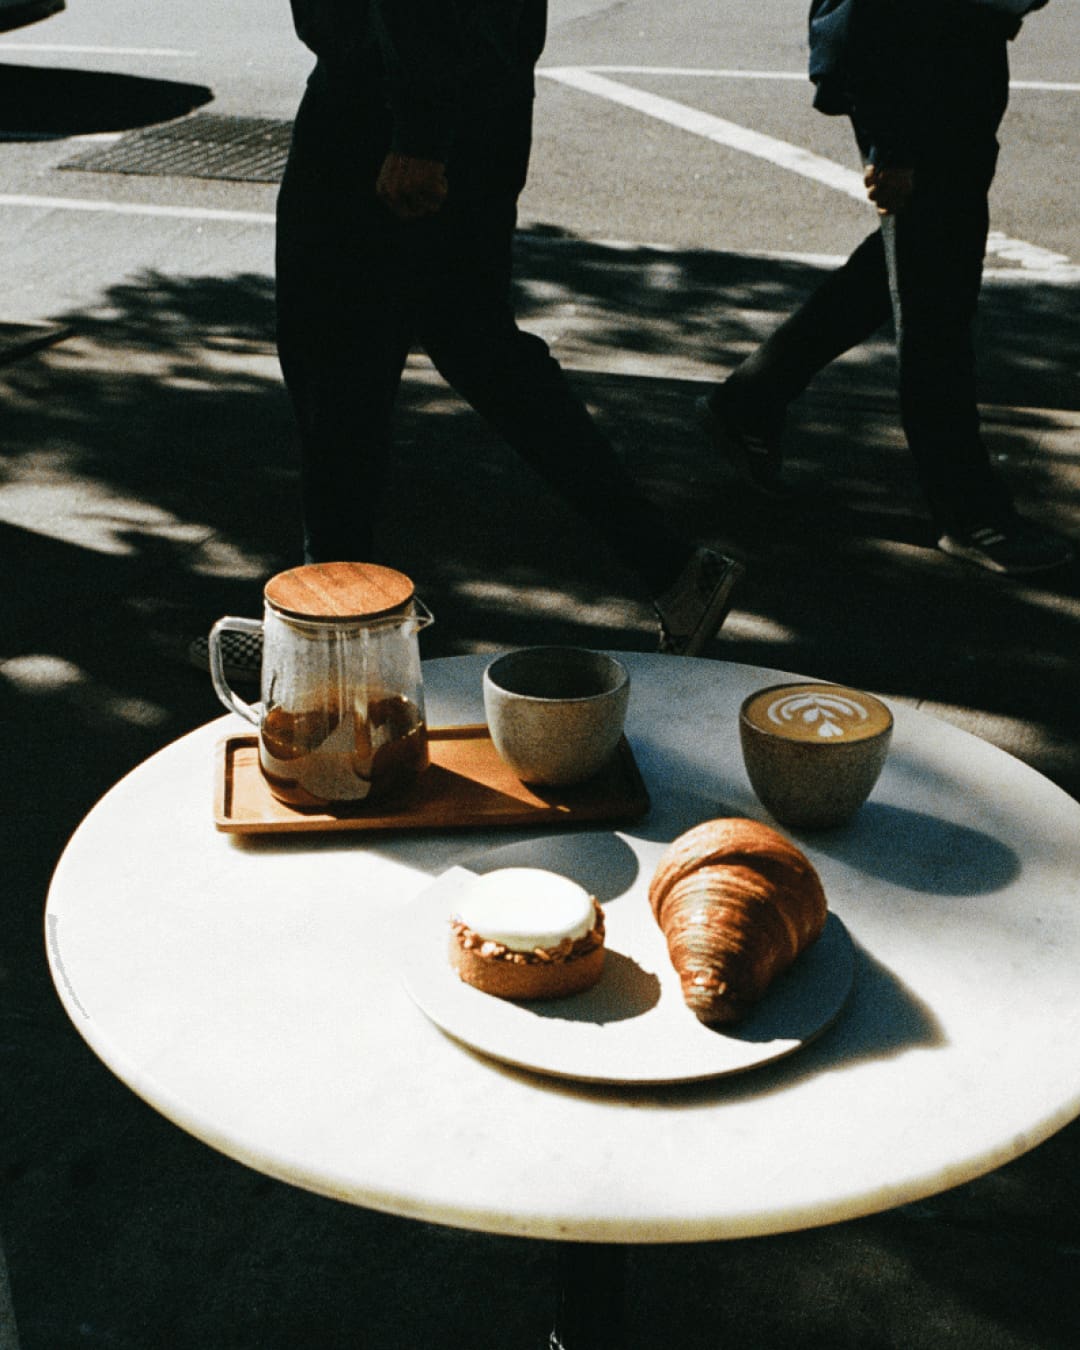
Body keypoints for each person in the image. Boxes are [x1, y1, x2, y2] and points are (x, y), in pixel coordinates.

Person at [274, 0, 744, 657]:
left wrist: (420, 132)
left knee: (335, 364)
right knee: (475, 347)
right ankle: (668, 565)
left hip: (379, 106)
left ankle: (328, 634)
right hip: (470, 94)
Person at [698, 0, 1073, 575]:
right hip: (917, 77)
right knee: (935, 305)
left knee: (906, 265)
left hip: (950, 60)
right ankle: (967, 509)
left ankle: (750, 400)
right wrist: (891, 145)